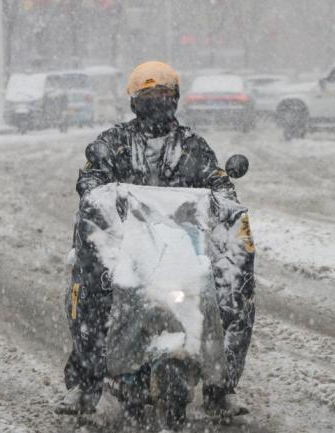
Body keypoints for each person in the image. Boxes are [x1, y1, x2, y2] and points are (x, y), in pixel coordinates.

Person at [56, 61, 256, 417]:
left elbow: (219, 184)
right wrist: (98, 190)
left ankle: (219, 387)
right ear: (134, 101)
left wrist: (224, 198)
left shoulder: (193, 147)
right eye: (148, 95)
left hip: (181, 253)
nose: (156, 102)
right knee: (91, 295)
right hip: (127, 252)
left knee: (230, 296)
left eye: (163, 94)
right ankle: (88, 384)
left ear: (175, 98)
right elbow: (90, 181)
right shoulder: (114, 143)